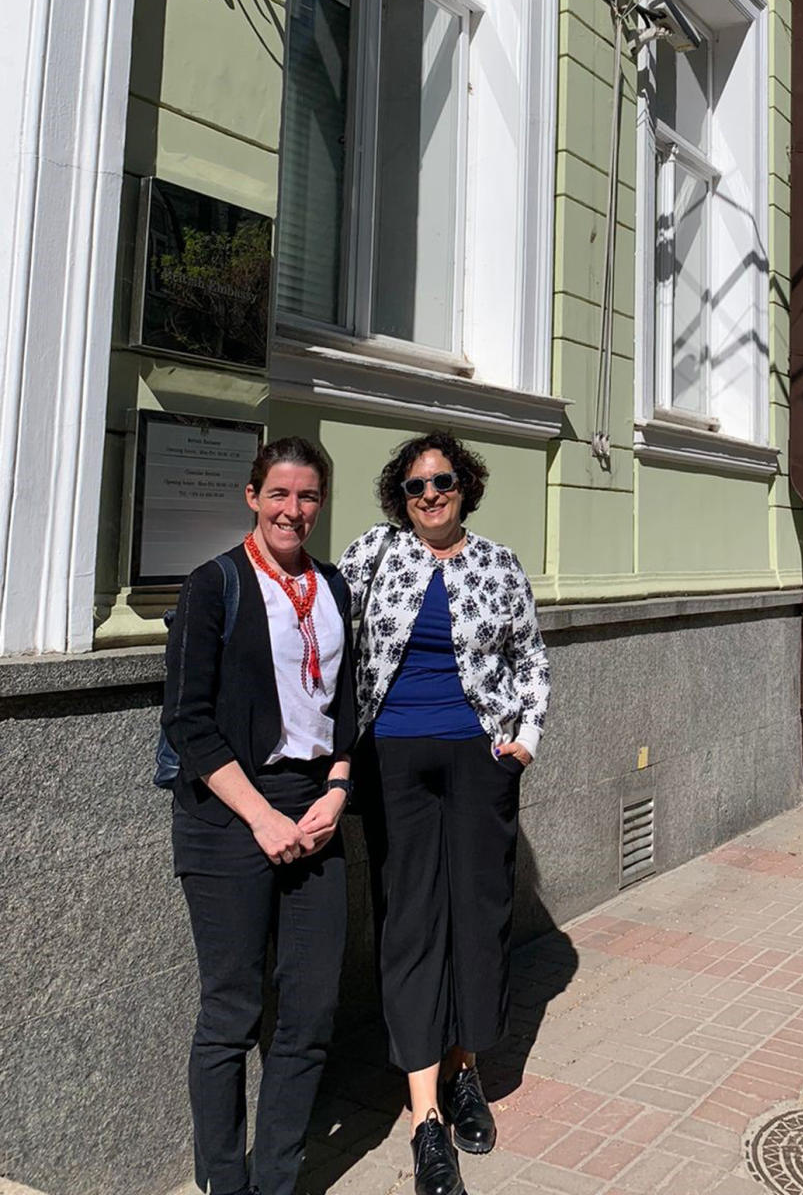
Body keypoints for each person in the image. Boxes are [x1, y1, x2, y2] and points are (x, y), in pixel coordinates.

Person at [339, 430, 549, 1195]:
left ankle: (466, 1070)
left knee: (479, 916)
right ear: (401, 496)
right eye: (416, 486)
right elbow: (328, 630)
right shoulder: (375, 555)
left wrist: (523, 740)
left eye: (444, 481)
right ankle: (426, 1116)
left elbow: (531, 657)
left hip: (478, 760)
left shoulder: (496, 563)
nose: (430, 495)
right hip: (393, 761)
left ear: (466, 487)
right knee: (411, 922)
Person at [162, 434, 356, 1195]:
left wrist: (338, 792)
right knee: (232, 1014)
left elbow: (347, 709)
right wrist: (261, 820)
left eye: (308, 496)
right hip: (228, 812)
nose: (294, 509)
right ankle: (223, 1184)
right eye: (279, 493)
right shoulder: (215, 585)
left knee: (309, 1013)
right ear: (252, 497)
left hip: (318, 810)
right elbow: (188, 720)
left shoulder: (335, 589)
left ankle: (275, 1182)